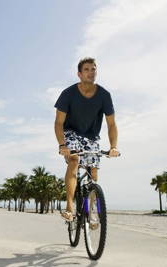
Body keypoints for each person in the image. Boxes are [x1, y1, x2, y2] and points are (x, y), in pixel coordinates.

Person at [54, 57, 119, 222]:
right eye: (87, 70)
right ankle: (69, 208)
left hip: (91, 137)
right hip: (70, 132)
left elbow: (111, 124)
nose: (91, 72)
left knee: (93, 173)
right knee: (74, 160)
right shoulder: (68, 94)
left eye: (93, 69)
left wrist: (113, 146)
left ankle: (91, 211)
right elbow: (59, 122)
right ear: (79, 74)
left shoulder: (104, 95)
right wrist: (63, 145)